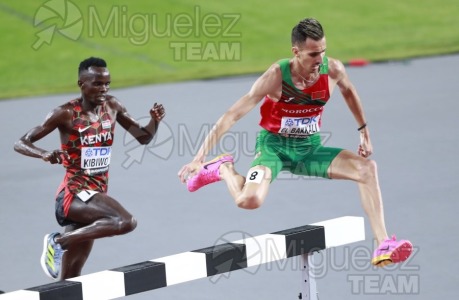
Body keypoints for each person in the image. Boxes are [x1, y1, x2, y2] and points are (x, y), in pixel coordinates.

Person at [178, 18, 412, 267]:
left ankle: (382, 243)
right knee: (249, 201)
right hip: (274, 149)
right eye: (313, 54)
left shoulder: (332, 69)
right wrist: (198, 157)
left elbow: (348, 91)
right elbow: (232, 115)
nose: (319, 59)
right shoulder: (276, 76)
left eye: (323, 51)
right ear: (296, 52)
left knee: (367, 169)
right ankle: (223, 167)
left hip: (309, 150)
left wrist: (364, 131)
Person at [14, 57, 165, 280]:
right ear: (81, 84)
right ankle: (58, 242)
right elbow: (21, 142)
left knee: (72, 276)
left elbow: (143, 137)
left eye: (107, 84)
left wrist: (155, 121)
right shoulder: (65, 113)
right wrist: (45, 154)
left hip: (96, 194)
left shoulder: (112, 106)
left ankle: (61, 262)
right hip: (74, 194)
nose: (103, 89)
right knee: (125, 221)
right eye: (97, 84)